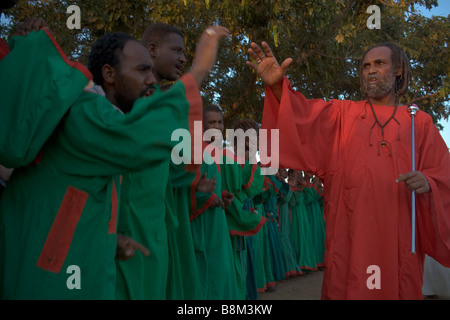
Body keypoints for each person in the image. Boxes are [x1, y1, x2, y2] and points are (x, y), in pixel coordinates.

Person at [0, 21, 229, 299]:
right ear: (109, 73)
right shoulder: (83, 111)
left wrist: (109, 239)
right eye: (142, 70)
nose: (150, 81)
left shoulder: (95, 112)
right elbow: (138, 141)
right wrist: (199, 70)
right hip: (54, 277)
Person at [246, 41, 450, 299]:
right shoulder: (342, 115)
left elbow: (443, 174)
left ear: (398, 69)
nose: (370, 70)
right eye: (366, 66)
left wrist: (428, 180)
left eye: (379, 63)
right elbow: (301, 118)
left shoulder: (418, 122)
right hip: (349, 238)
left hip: (397, 241)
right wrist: (277, 87)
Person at [188, 104, 239, 299]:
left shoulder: (214, 152)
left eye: (220, 122)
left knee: (221, 271)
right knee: (207, 275)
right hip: (201, 225)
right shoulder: (193, 151)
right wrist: (208, 198)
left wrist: (223, 194)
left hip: (217, 224)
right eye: (211, 122)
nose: (217, 127)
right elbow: (182, 189)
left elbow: (211, 186)